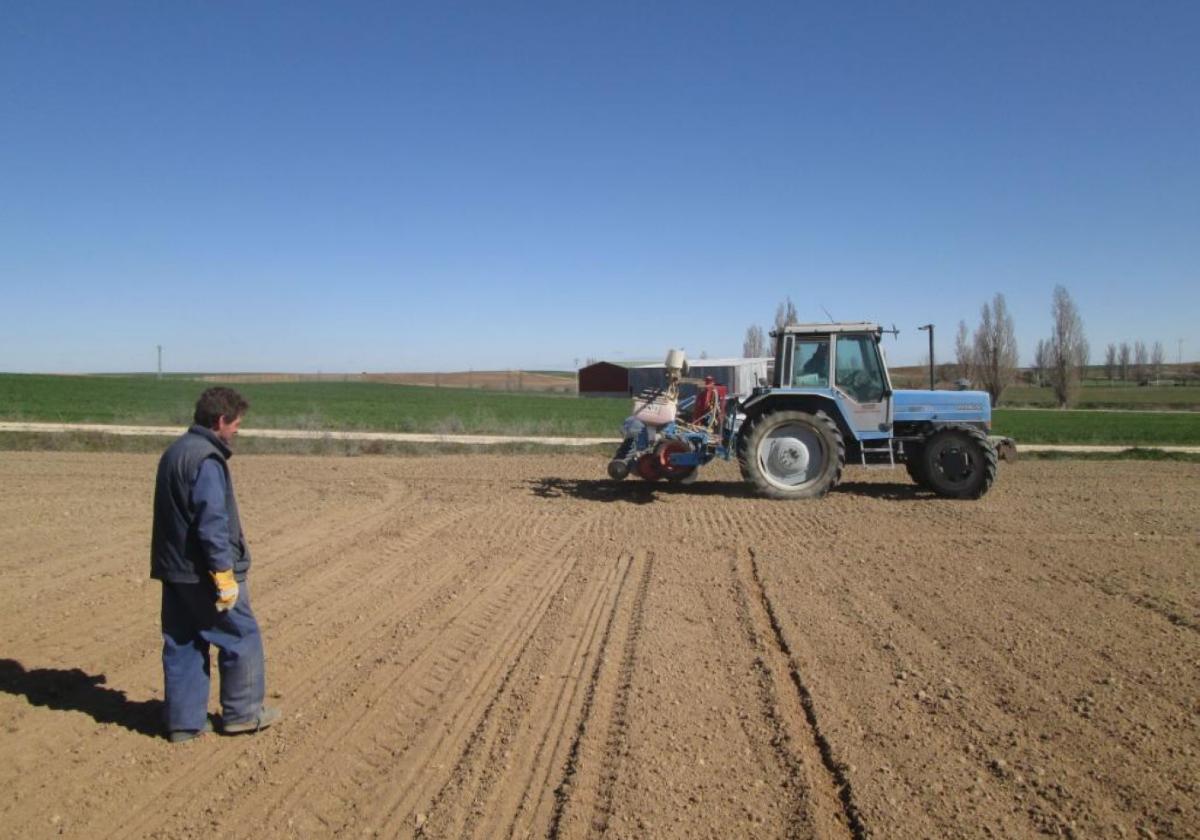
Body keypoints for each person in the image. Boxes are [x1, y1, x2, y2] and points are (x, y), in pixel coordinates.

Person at [150, 387, 280, 742]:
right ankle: (243, 714)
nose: (237, 430)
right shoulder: (207, 459)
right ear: (221, 420)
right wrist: (224, 574)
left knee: (183, 640)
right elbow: (211, 522)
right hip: (204, 571)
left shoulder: (175, 452)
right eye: (236, 424)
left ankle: (183, 723)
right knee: (241, 637)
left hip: (174, 569)